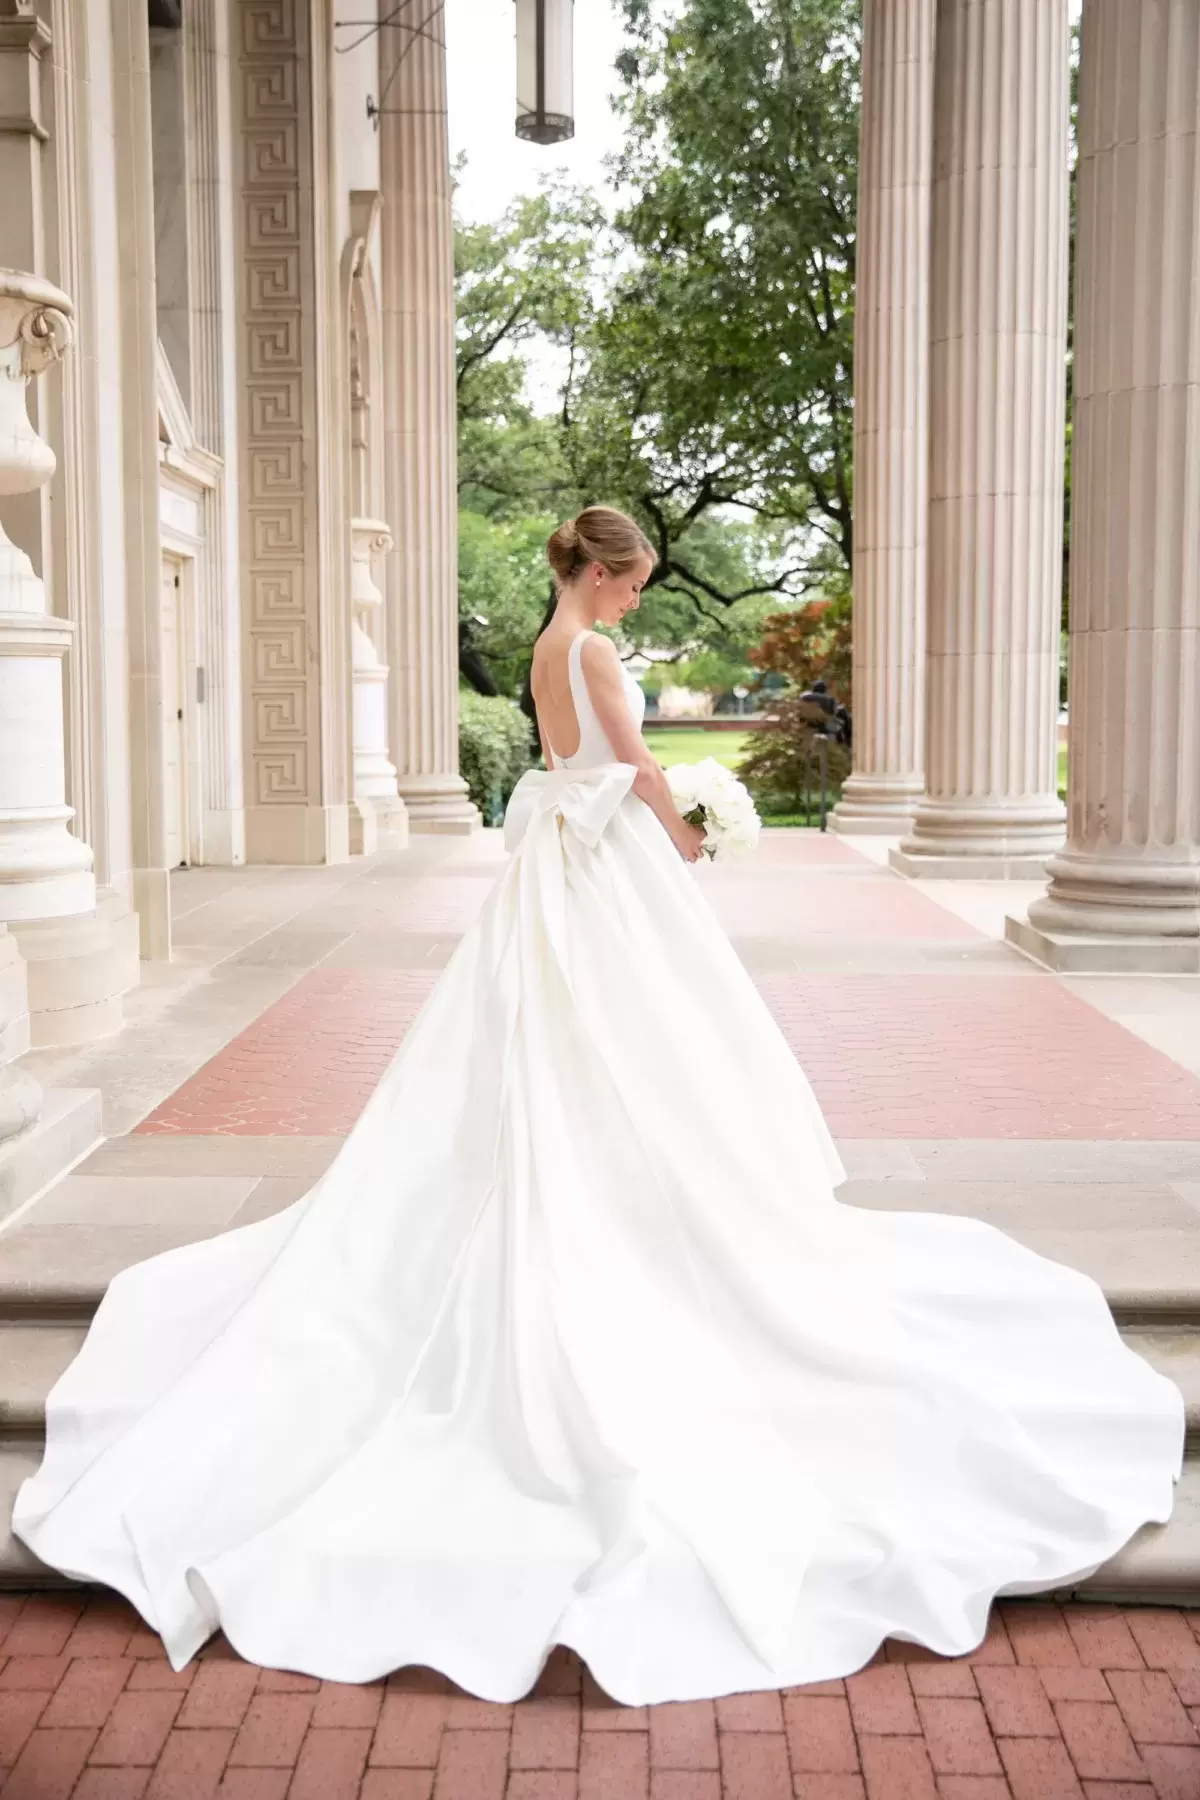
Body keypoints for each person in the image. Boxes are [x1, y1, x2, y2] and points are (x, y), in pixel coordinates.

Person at [12, 506, 1185, 1707]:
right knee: (645, 1046)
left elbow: (576, 764)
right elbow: (634, 768)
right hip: (608, 868)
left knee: (566, 1044)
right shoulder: (594, 650)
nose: (636, 599)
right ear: (606, 571)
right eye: (635, 582)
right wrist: (693, 835)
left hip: (558, 875)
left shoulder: (542, 646)